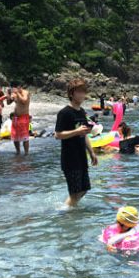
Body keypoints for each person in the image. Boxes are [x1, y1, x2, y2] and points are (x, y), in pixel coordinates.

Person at [54, 78, 98, 208]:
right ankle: (63, 213)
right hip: (70, 158)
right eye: (79, 92)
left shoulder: (82, 112)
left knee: (84, 189)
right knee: (75, 193)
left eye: (84, 92)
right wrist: (76, 131)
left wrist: (91, 153)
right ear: (72, 93)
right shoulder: (65, 112)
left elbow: (84, 134)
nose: (82, 95)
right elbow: (58, 135)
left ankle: (69, 208)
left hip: (81, 156)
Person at [9, 82, 31, 156]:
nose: (14, 89)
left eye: (16, 88)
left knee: (25, 137)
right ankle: (18, 152)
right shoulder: (14, 93)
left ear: (20, 87)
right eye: (13, 88)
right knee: (15, 136)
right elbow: (8, 102)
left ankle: (26, 153)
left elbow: (24, 101)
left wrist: (17, 93)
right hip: (15, 117)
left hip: (24, 116)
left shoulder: (25, 93)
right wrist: (9, 95)